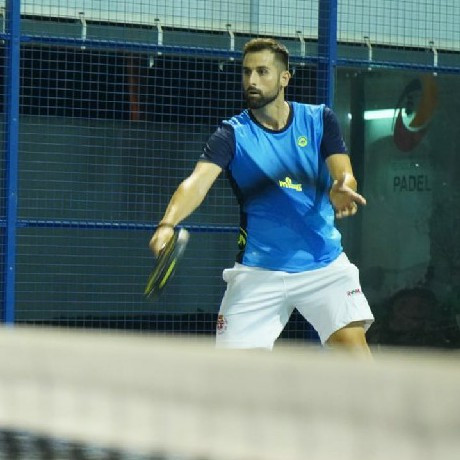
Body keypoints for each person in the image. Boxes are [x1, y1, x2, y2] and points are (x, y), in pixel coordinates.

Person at [150, 38, 374, 353]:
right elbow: (197, 183)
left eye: (262, 72)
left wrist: (343, 186)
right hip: (258, 270)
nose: (252, 80)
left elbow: (343, 173)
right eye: (246, 72)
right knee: (235, 374)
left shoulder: (319, 120)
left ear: (284, 78)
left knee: (357, 358)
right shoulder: (231, 134)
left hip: (323, 264)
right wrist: (167, 223)